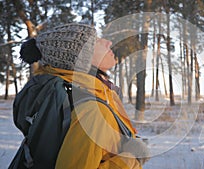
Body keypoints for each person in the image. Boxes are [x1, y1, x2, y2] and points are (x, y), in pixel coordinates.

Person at [17, 23, 149, 168]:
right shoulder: (92, 110)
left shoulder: (97, 93)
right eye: (97, 41)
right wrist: (131, 158)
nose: (108, 43)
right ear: (82, 58)